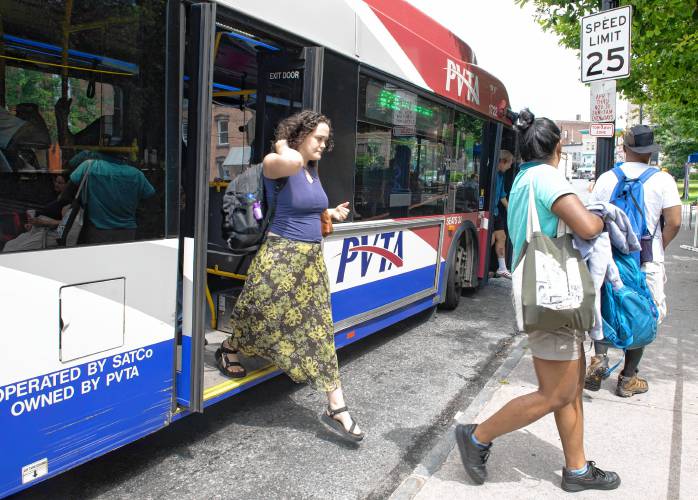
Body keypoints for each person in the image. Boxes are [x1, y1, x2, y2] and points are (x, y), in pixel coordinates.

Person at [456, 109, 620, 492]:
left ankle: (577, 470)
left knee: (571, 385)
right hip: (553, 293)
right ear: (558, 146)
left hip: (545, 289)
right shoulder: (547, 177)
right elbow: (586, 225)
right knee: (557, 391)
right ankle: (477, 435)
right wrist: (602, 216)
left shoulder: (524, 178)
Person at [216, 110, 363, 442]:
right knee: (260, 316)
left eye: (327, 140)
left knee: (320, 329)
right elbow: (290, 165)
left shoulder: (311, 170)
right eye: (319, 138)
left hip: (310, 261)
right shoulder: (275, 162)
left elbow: (302, 205)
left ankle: (336, 405)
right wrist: (284, 143)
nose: (324, 145)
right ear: (299, 136)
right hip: (280, 257)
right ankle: (229, 347)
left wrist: (327, 212)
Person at [584, 125, 682, 397]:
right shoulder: (663, 181)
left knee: (605, 306)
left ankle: (599, 359)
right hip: (646, 259)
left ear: (625, 149)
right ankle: (628, 378)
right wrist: (658, 248)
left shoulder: (606, 179)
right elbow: (674, 222)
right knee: (643, 315)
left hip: (609, 258)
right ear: (651, 153)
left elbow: (592, 219)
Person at [67, 151, 155, 244]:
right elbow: (149, 197)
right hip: (128, 232)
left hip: (97, 231)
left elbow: (67, 191)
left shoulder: (89, 167)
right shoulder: (136, 174)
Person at [491, 150, 514, 278]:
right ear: (503, 162)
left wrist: (511, 210)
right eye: (509, 163)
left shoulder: (501, 175)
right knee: (491, 239)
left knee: (502, 237)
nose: (510, 166)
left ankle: (502, 268)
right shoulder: (492, 174)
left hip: (495, 212)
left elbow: (501, 196)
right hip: (489, 212)